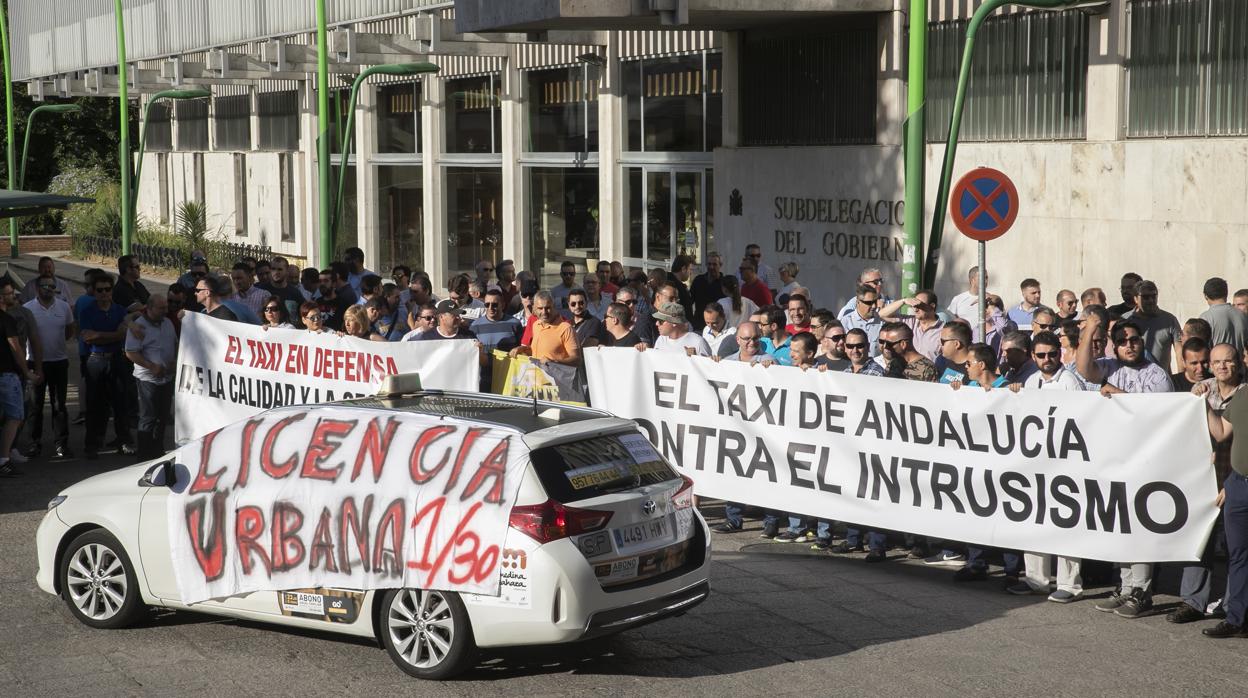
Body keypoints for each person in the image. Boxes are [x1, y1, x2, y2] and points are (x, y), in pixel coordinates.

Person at [1079, 316, 1171, 617]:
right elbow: (1084, 369)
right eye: (1122, 341)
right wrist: (1091, 329)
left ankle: (1143, 592)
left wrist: (1119, 396)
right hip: (1115, 460)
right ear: (1114, 346)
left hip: (1145, 461)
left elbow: (1155, 416)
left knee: (1141, 527)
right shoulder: (1109, 367)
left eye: (1134, 340)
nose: (1129, 345)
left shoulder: (1156, 374)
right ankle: (1126, 586)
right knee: (1121, 526)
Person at [1006, 331, 1087, 602]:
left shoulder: (1070, 382)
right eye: (1041, 355)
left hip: (1065, 461)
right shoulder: (1030, 381)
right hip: (1036, 462)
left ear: (1060, 354)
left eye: (1052, 354)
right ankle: (1036, 579)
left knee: (1065, 523)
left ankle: (1069, 583)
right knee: (1035, 519)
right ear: (1033, 356)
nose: (1047, 359)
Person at [1170, 344, 1243, 625]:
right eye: (1216, 362)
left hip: (1233, 478)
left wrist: (1232, 483)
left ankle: (1230, 605)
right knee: (1199, 542)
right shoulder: (1202, 390)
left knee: (1236, 550)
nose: (1222, 367)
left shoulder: (1245, 394)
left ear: (1238, 363)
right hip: (1201, 480)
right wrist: (1193, 398)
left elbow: (1230, 438)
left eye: (1228, 361)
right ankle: (1193, 601)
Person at [1199, 359, 1248, 639]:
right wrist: (1204, 404)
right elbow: (1221, 432)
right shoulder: (1242, 396)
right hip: (1239, 485)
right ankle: (1237, 619)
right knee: (1238, 556)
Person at [79, 275, 133, 459]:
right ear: (94, 292)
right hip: (96, 360)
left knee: (121, 402)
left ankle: (124, 440)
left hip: (117, 359)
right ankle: (92, 444)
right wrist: (114, 334)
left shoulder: (119, 310)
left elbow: (124, 334)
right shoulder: (87, 311)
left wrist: (101, 335)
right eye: (100, 290)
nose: (104, 294)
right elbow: (87, 336)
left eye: (107, 289)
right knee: (95, 405)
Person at [23, 273, 75, 459]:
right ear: (37, 289)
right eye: (45, 286)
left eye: (52, 286)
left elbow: (70, 330)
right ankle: (34, 443)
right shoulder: (27, 309)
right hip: (35, 362)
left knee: (59, 405)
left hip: (59, 361)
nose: (49, 289)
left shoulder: (63, 307)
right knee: (35, 405)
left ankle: (61, 444)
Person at [124, 295, 177, 460]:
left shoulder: (167, 323)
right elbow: (130, 352)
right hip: (148, 379)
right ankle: (144, 455)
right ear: (150, 308)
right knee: (148, 417)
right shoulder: (138, 326)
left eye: (166, 308)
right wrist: (151, 366)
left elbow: (175, 344)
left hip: (167, 377)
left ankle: (158, 451)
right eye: (161, 308)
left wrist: (174, 362)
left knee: (163, 417)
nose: (165, 311)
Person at [0, 303, 35, 477]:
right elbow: (16, 348)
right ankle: (4, 459)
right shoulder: (5, 319)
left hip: (7, 374)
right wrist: (26, 371)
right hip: (6, 374)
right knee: (15, 416)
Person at [1122, 279, 1182, 371]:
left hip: (1161, 381)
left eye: (1153, 296)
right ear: (1135, 299)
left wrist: (1180, 378)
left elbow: (1179, 351)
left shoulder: (1169, 320)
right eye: (1145, 297)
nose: (1150, 300)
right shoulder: (1125, 320)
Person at [471, 289, 523, 390]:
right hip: (484, 380)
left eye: (494, 304)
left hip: (509, 379)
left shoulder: (515, 323)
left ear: (503, 305)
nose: (490, 308)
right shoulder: (475, 326)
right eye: (487, 304)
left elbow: (522, 350)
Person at [510, 291, 578, 367]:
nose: (544, 312)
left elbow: (576, 360)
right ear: (534, 309)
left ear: (554, 307)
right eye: (540, 308)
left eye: (548, 308)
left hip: (556, 378)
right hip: (537, 376)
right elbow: (536, 351)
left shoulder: (566, 328)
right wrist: (522, 349)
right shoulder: (536, 325)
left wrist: (554, 362)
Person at [879, 289, 944, 361]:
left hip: (929, 370)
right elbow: (882, 314)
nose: (915, 309)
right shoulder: (909, 321)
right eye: (913, 306)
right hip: (906, 370)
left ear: (932, 306)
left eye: (919, 305)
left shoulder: (943, 330)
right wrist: (903, 301)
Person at [642, 302, 710, 357]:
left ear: (674, 322)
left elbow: (708, 370)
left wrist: (695, 358)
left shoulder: (698, 342)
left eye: (660, 321)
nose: (657, 323)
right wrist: (642, 349)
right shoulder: (661, 340)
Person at [1201, 277, 1248, 353]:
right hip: (1241, 364)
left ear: (1205, 296)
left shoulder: (1206, 318)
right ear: (1226, 293)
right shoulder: (1243, 316)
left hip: (1218, 364)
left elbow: (1201, 350)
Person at [838, 284, 884, 356]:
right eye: (869, 303)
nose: (874, 306)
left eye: (875, 302)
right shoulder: (845, 322)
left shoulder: (882, 322)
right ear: (858, 302)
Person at [314, 264, 356, 331]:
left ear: (334, 283)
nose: (322, 284)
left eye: (326, 281)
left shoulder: (344, 304)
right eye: (320, 281)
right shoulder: (316, 303)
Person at [690, 253, 727, 328]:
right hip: (699, 324)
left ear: (720, 265)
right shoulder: (698, 280)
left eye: (714, 264)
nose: (711, 267)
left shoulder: (725, 283)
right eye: (709, 264)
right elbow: (690, 301)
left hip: (717, 326)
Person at [667, 255, 696, 322]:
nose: (690, 273)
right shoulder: (679, 288)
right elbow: (687, 312)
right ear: (683, 269)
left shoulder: (664, 279)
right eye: (690, 269)